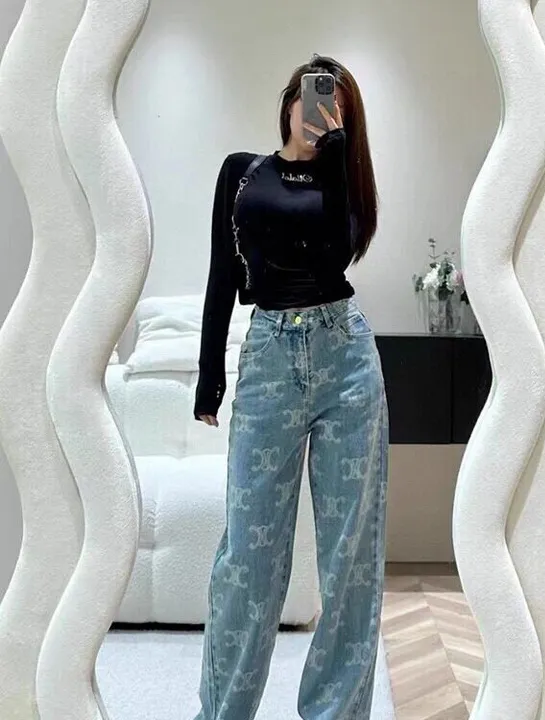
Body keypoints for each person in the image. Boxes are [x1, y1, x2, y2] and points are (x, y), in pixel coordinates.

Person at [192, 54, 389, 720]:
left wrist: (334, 159)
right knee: (247, 557)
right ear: (287, 101)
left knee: (350, 561)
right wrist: (210, 377)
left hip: (345, 359)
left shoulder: (345, 186)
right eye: (310, 97)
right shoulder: (241, 172)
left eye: (334, 107)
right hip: (270, 355)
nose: (317, 111)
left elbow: (338, 256)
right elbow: (222, 272)